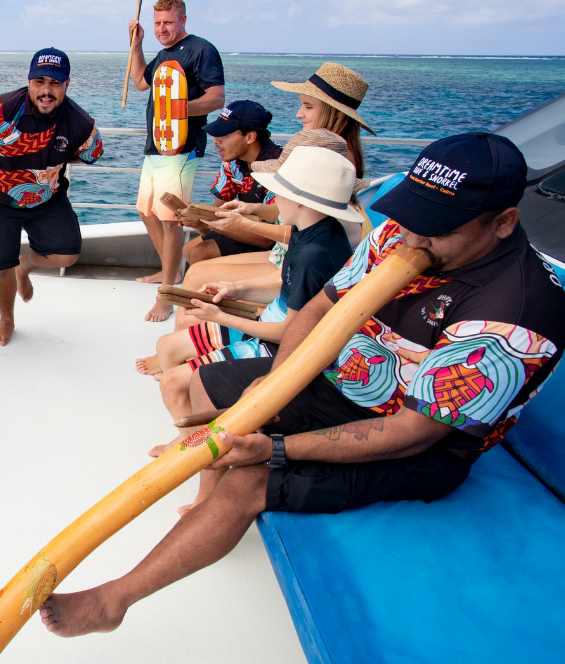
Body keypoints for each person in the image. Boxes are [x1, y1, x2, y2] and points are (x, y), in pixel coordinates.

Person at [39, 132, 565, 638]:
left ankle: (114, 601)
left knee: (249, 478)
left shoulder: (514, 317)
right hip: (337, 382)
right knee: (201, 388)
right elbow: (317, 310)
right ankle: (205, 506)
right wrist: (273, 386)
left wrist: (273, 445)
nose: (410, 237)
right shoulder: (401, 232)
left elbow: (413, 432)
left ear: (504, 222)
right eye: (411, 217)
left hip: (417, 442)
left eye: (436, 229)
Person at [134, 130, 353, 377]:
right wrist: (237, 288)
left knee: (175, 377)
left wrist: (224, 315)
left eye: (278, 191)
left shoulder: (313, 252)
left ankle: (191, 369)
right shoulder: (313, 229)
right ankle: (187, 359)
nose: (274, 198)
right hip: (275, 308)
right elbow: (287, 289)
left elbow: (291, 329)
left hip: (277, 338)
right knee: (191, 267)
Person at [0, 49, 103, 345]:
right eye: (40, 81)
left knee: (68, 254)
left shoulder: (79, 121)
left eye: (55, 83)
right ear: (29, 81)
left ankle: (26, 264)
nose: (47, 90)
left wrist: (46, 159)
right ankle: (6, 319)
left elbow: (91, 154)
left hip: (46, 195)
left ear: (67, 83)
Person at [127, 0, 225, 322]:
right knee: (147, 211)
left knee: (170, 220)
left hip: (183, 145)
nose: (162, 29)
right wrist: (137, 44)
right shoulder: (163, 54)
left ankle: (168, 294)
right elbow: (141, 83)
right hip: (156, 144)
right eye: (157, 23)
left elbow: (216, 97)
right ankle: (169, 272)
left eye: (168, 22)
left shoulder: (201, 50)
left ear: (183, 19)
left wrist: (180, 110)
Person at [180, 100, 283, 265]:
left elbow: (268, 239)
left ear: (250, 137)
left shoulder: (278, 166)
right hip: (246, 227)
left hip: (275, 240)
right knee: (188, 249)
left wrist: (208, 223)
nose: (215, 140)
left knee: (201, 253)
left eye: (224, 135)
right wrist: (197, 219)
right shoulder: (232, 161)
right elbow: (215, 211)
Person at [271, 61, 373, 177]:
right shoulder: (341, 152)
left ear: (337, 113)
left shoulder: (333, 157)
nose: (299, 114)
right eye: (301, 105)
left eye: (309, 107)